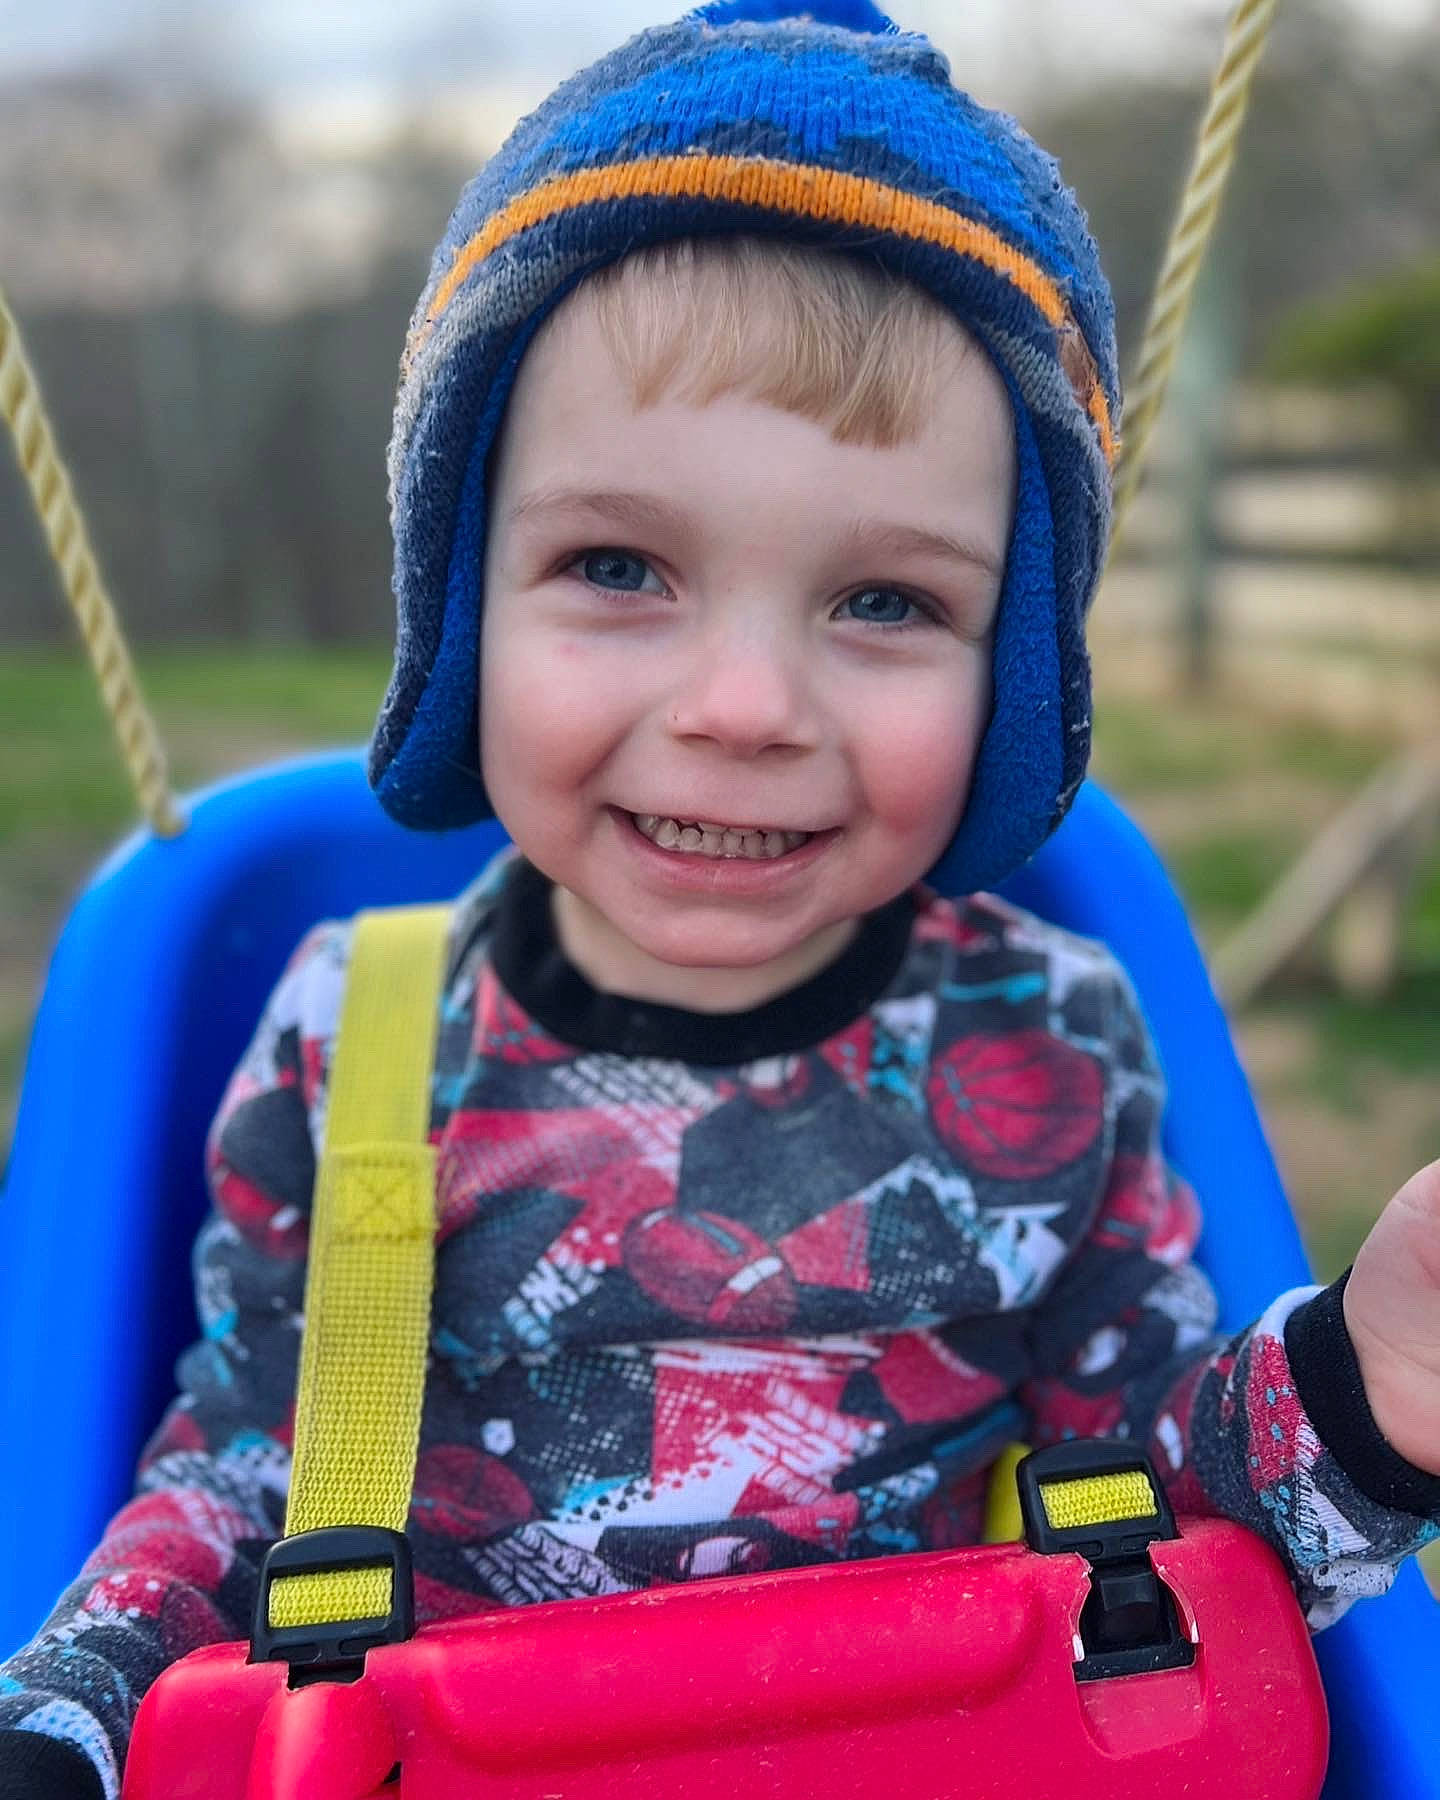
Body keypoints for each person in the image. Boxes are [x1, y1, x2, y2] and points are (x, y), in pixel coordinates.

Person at [3, 2, 1438, 1793]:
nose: (745, 710)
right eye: (619, 567)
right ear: (463, 619)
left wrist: (1376, 1388)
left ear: (1012, 689)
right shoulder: (352, 1040)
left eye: (885, 604)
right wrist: (76, 1697)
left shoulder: (1053, 1044)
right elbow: (238, 1460)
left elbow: (1159, 1536)